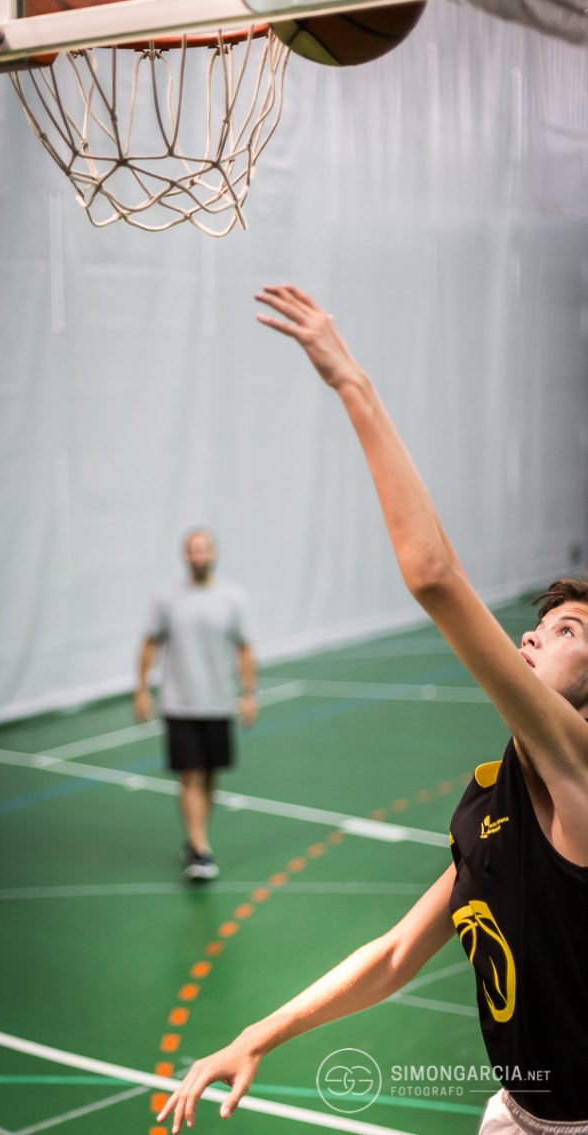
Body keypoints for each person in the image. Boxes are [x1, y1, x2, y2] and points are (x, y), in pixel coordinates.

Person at [156, 286, 588, 1134]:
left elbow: (432, 574)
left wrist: (352, 382)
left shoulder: (579, 775)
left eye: (568, 629)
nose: (534, 639)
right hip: (514, 1114)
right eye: (536, 627)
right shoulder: (492, 799)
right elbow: (394, 954)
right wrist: (258, 1033)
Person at [135, 528, 258, 881]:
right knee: (190, 775)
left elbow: (245, 647)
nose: (199, 556)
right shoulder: (167, 598)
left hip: (218, 704)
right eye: (192, 550)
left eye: (204, 549)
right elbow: (149, 642)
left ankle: (195, 837)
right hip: (179, 704)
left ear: (214, 553)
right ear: (185, 556)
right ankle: (201, 849)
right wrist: (142, 689)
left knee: (210, 778)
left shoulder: (232, 598)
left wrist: (250, 693)